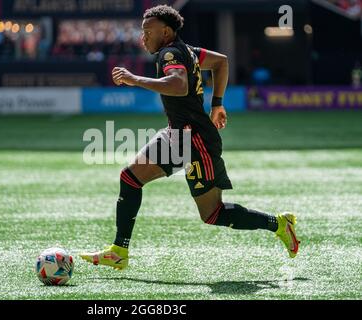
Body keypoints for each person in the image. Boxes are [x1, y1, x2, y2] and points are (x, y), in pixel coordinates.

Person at [80, 5, 300, 270]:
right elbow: (221, 62)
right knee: (130, 178)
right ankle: (118, 251)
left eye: (148, 31)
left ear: (166, 31)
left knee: (212, 214)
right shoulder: (189, 52)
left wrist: (135, 79)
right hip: (178, 135)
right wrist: (217, 104)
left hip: (196, 142)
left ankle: (278, 224)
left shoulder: (169, 52)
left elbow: (178, 84)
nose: (143, 37)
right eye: (142, 32)